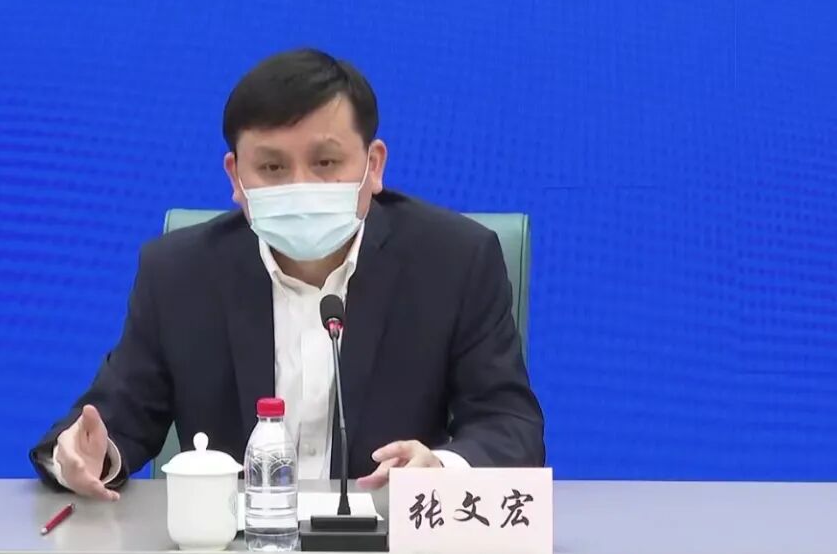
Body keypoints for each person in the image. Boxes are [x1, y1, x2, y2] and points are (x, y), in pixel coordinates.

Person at [30, 48, 544, 500]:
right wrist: (86, 456)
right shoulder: (179, 274)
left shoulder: (454, 261)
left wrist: (442, 468)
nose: (301, 186)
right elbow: (113, 421)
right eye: (273, 168)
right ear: (236, 176)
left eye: (326, 162)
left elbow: (509, 425)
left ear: (374, 165)